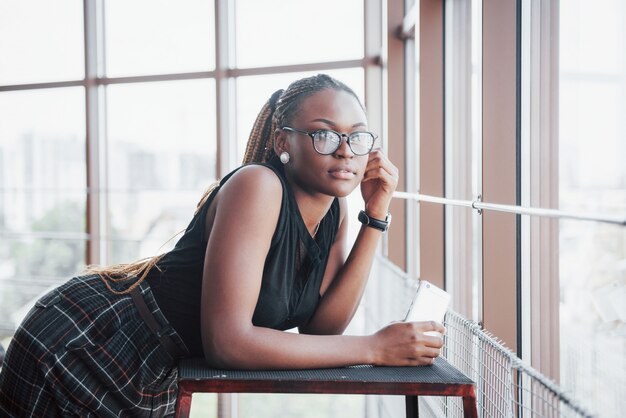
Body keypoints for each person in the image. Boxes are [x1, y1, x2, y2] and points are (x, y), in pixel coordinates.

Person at [0, 74, 445, 417]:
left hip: (157, 366)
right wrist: (375, 348)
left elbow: (321, 331)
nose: (346, 151)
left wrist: (376, 215)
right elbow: (228, 343)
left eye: (358, 136)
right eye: (325, 134)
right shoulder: (258, 185)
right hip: (89, 344)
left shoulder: (336, 211)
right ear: (282, 142)